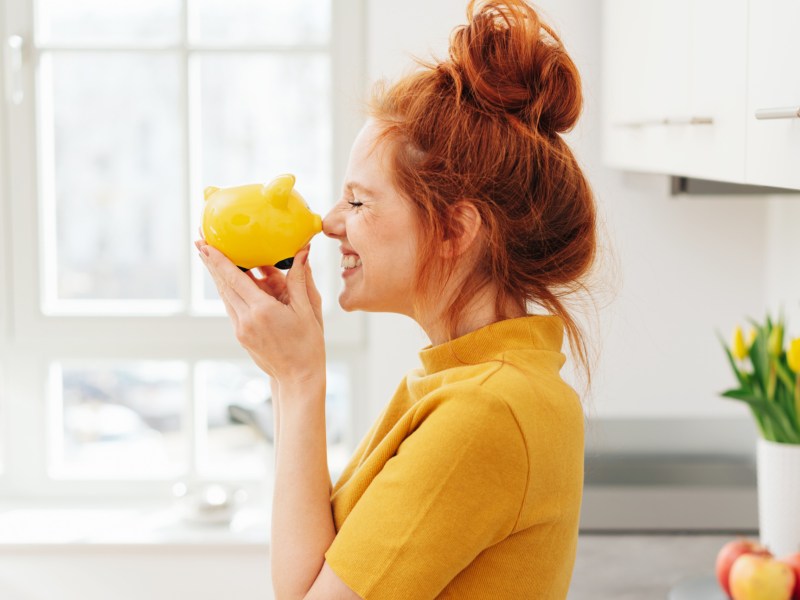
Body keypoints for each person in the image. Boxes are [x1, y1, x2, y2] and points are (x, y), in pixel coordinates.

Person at [197, 0, 597, 597]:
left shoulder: (484, 412)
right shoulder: (466, 384)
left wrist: (302, 378)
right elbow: (311, 576)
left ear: (455, 231)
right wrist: (289, 377)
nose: (330, 224)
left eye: (358, 202)